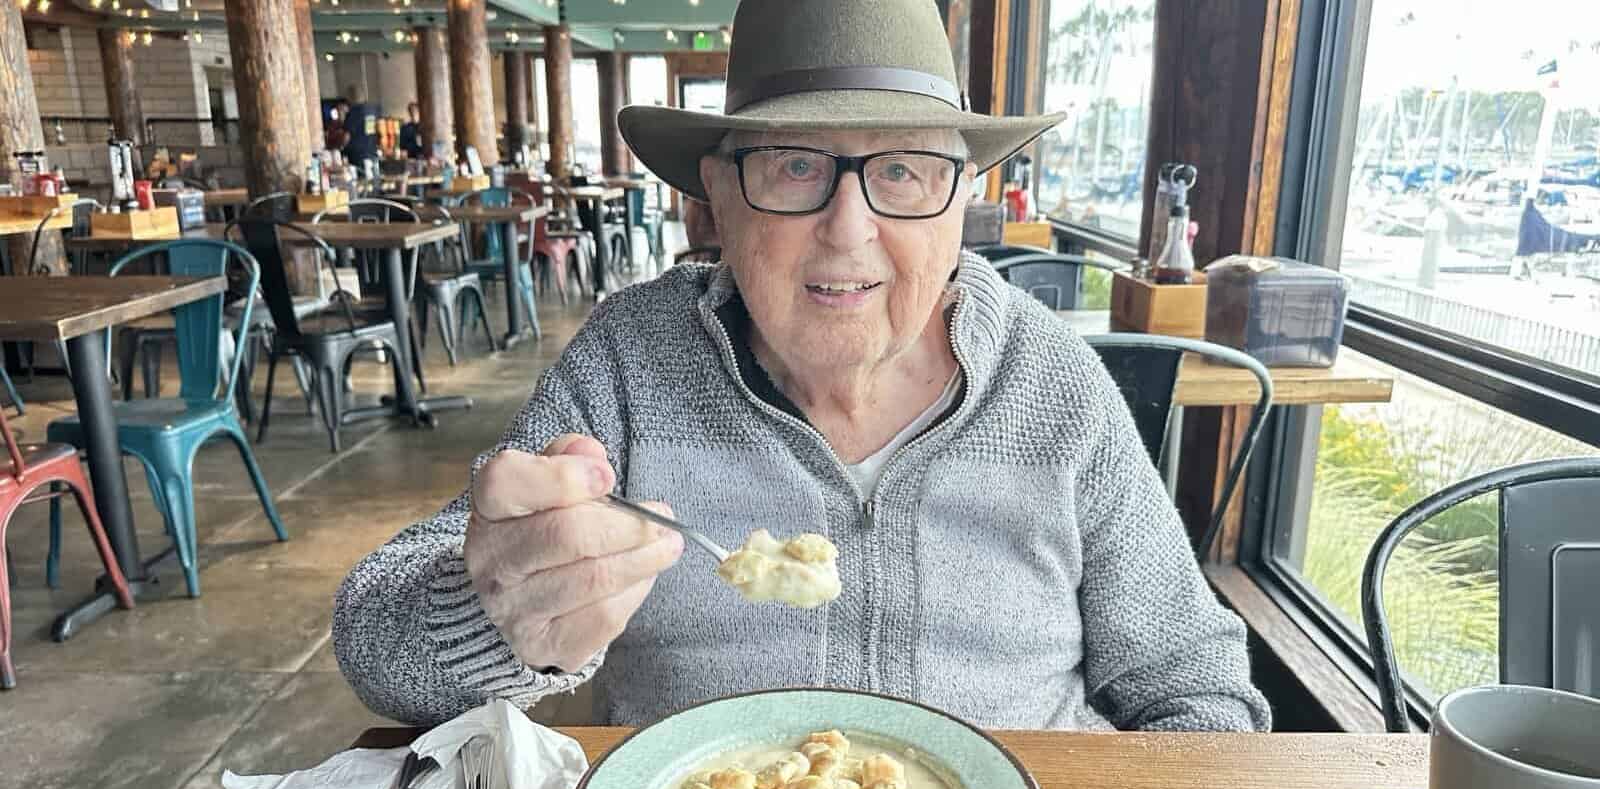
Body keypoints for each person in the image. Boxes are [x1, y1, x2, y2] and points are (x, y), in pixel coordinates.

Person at [334, 0, 1271, 734]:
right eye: (792, 167)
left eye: (903, 171)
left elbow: (1195, 686)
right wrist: (493, 608)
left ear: (960, 208)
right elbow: (372, 644)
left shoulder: (1053, 383)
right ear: (714, 203)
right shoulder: (630, 362)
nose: (850, 231)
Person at [341, 84, 382, 169]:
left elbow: (346, 136)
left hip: (357, 155)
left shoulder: (353, 113)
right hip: (372, 152)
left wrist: (341, 147)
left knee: (361, 180)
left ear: (350, 97)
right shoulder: (373, 109)